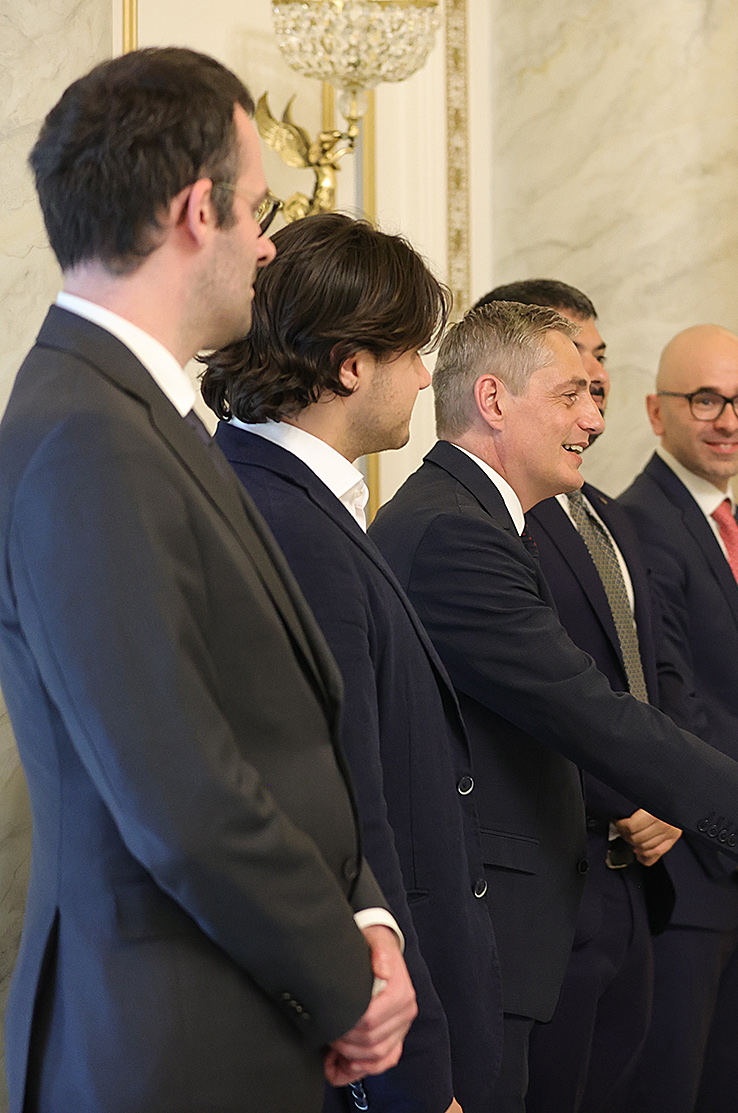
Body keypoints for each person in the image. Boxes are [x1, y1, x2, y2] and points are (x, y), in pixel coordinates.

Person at [0, 49, 415, 1112]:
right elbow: (179, 790)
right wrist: (346, 981)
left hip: (234, 1007)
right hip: (171, 1041)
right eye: (257, 210)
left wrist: (367, 916)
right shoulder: (86, 436)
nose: (267, 243)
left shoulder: (149, 415)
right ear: (198, 211)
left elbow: (277, 734)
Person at [367, 301, 738, 1113]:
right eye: (570, 395)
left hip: (536, 921)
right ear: (494, 400)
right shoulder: (457, 532)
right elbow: (590, 713)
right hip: (485, 932)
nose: (594, 419)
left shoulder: (478, 518)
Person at [201, 212, 500, 1113]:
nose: (425, 376)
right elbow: (345, 821)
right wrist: (416, 1081)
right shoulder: (288, 525)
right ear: (349, 365)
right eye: (413, 353)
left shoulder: (282, 495)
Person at [471, 279, 674, 1113]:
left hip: (636, 882)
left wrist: (670, 803)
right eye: (574, 366)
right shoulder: (496, 525)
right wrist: (634, 796)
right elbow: (545, 701)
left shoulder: (611, 517)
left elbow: (648, 679)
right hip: (557, 872)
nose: (595, 384)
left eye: (599, 359)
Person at [616, 324, 738, 1113]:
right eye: (705, 400)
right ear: (656, 411)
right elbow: (674, 710)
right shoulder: (635, 524)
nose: (729, 419)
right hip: (692, 885)